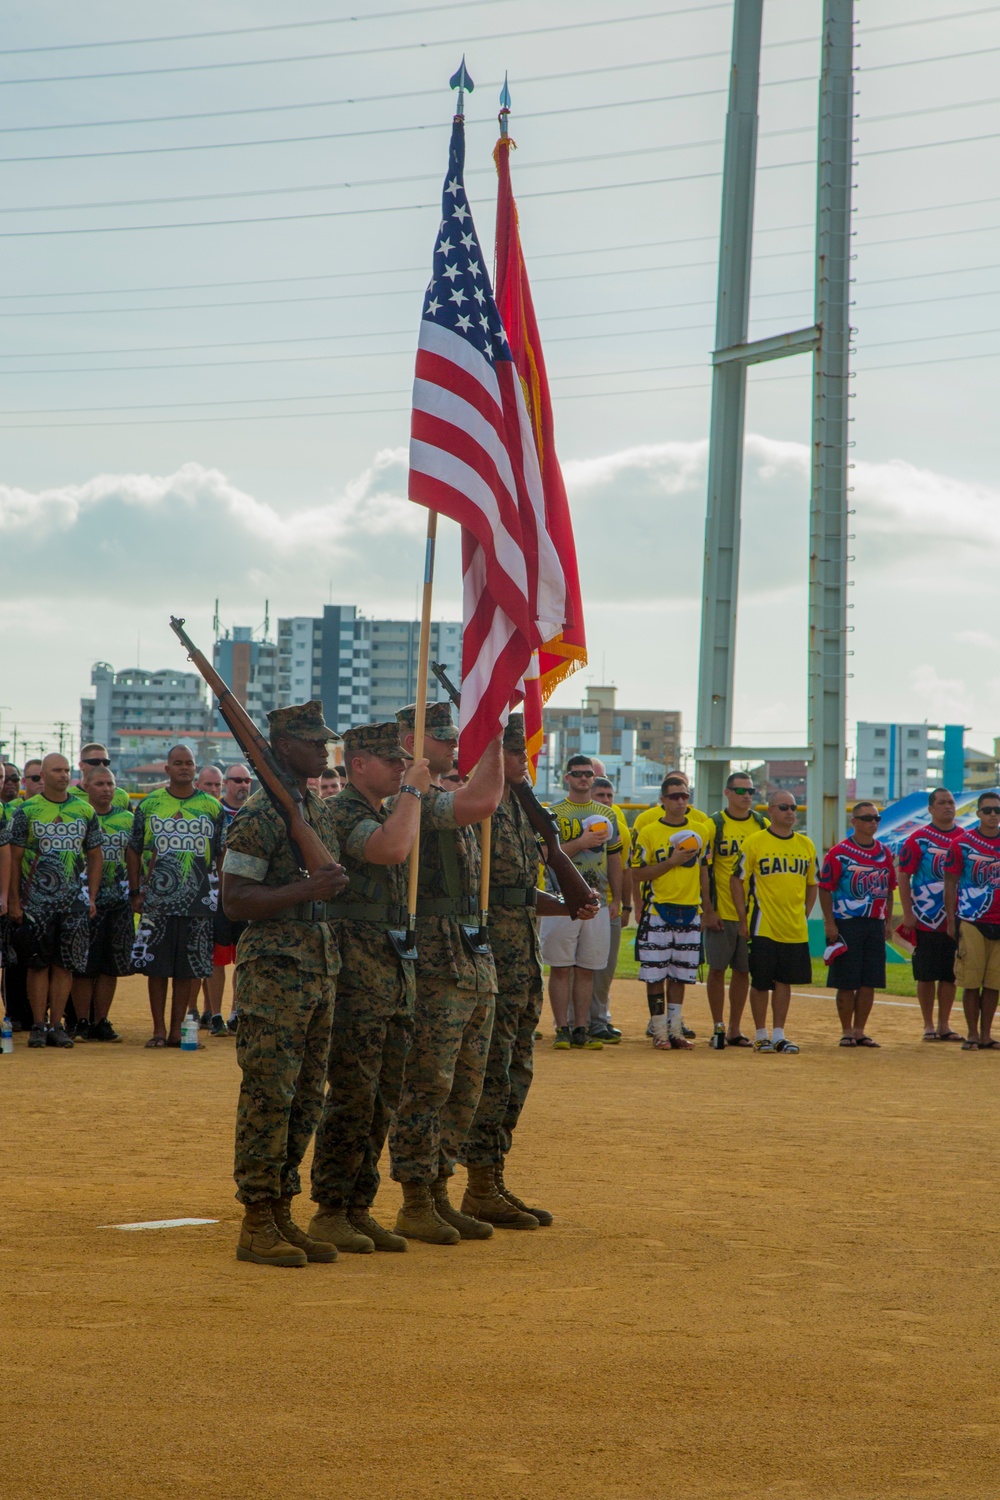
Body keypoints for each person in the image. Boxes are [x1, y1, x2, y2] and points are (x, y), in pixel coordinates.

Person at [221, 700, 348, 1268]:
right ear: (283, 748)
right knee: (270, 1095)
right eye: (314, 744)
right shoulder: (259, 815)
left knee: (304, 1100)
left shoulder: (312, 810)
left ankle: (281, 1213)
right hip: (274, 972)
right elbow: (234, 901)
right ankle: (255, 1221)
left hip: (317, 969)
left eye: (325, 744)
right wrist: (307, 890)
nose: (324, 752)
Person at [462, 718, 598, 1227]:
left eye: (526, 753)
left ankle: (491, 1179)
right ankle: (475, 1183)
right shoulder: (481, 807)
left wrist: (567, 904)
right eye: (515, 753)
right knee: (490, 1071)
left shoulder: (522, 810)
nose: (523, 761)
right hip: (489, 954)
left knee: (516, 1070)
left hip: (521, 957)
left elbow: (519, 890)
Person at [308, 722, 431, 1254]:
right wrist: (413, 793)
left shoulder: (381, 808)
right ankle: (330, 1209)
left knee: (383, 1096)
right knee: (353, 1095)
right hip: (356, 973)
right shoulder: (344, 813)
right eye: (391, 761)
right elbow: (390, 851)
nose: (401, 768)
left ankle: (359, 1206)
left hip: (389, 969)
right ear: (358, 764)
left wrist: (406, 795)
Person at [389, 701, 504, 1245]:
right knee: (428, 1084)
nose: (453, 745)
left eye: (456, 737)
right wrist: (496, 737)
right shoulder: (408, 801)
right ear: (409, 742)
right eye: (442, 738)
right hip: (435, 959)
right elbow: (481, 801)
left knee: (465, 1084)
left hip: (468, 955)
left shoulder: (441, 795)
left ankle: (439, 1188)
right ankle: (415, 1198)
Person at [126, 744, 225, 1048]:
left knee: (188, 968)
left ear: (196, 769)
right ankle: (157, 1030)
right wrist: (135, 890)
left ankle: (176, 1031)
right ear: (167, 769)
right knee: (156, 968)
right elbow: (133, 848)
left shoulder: (212, 806)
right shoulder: (150, 804)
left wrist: (221, 892)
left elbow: (222, 853)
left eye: (190, 763)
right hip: (157, 900)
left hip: (199, 901)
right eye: (178, 763)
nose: (184, 767)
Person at [7, 753, 103, 1049]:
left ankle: (56, 1024)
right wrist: (13, 901)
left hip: (73, 902)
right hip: (36, 902)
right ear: (43, 776)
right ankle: (38, 1024)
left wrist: (92, 896)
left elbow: (95, 854)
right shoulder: (27, 810)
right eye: (56, 771)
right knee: (38, 965)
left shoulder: (84, 810)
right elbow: (15, 856)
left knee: (65, 966)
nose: (63, 775)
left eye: (66, 770)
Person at [540, 755, 623, 1051]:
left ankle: (581, 1028)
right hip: (561, 899)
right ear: (567, 778)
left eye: (588, 774)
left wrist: (618, 898)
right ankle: (561, 1027)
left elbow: (614, 859)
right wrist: (582, 842)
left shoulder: (607, 814)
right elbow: (547, 855)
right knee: (561, 967)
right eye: (577, 774)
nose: (584, 779)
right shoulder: (553, 813)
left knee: (587, 968)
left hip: (596, 898)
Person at [730, 791, 817, 1054]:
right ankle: (761, 1034)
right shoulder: (755, 842)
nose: (790, 812)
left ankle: (779, 1034)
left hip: (794, 926)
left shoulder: (805, 845)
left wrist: (805, 913)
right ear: (770, 811)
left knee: (784, 981)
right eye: (784, 807)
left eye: (794, 806)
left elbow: (813, 883)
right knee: (761, 981)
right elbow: (737, 879)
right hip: (763, 923)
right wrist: (743, 918)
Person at [630, 782, 712, 1049]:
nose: (680, 800)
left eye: (685, 796)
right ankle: (658, 1030)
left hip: (690, 909)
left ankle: (676, 1030)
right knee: (655, 974)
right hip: (659, 908)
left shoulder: (700, 830)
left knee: (680, 974)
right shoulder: (649, 832)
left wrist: (707, 908)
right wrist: (671, 862)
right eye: (674, 796)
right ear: (662, 799)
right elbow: (637, 873)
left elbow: (703, 872)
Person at [818, 801, 896, 1048]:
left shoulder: (884, 852)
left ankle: (860, 1030)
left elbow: (889, 889)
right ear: (854, 822)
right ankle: (846, 1030)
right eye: (867, 818)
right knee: (846, 980)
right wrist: (830, 924)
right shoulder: (839, 853)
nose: (873, 822)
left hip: (874, 922)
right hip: (847, 922)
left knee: (869, 980)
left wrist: (887, 920)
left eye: (876, 818)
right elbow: (825, 889)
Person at [701, 771, 768, 1048]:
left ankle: (734, 1028)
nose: (747, 795)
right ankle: (718, 1027)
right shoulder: (714, 824)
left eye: (750, 790)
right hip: (722, 911)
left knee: (743, 971)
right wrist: (707, 909)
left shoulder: (761, 824)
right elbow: (703, 869)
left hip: (752, 915)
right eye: (740, 791)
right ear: (727, 793)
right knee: (717, 969)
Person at [70, 767, 132, 1043]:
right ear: (85, 785)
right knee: (84, 965)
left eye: (110, 783)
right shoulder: (79, 816)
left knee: (110, 965)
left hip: (118, 901)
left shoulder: (127, 819)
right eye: (99, 783)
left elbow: (136, 858)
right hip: (84, 902)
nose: (106, 789)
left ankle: (100, 1020)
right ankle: (81, 1020)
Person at [897, 787, 963, 1042]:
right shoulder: (918, 839)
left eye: (951, 802)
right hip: (925, 917)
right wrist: (908, 913)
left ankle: (945, 1024)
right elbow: (904, 875)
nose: (948, 806)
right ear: (931, 809)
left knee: (950, 973)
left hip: (956, 916)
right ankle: (928, 1025)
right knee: (925, 973)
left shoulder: (965, 838)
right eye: (942, 803)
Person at [944, 791, 1000, 1051]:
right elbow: (950, 883)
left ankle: (987, 1034)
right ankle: (972, 1034)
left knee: (993, 983)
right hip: (971, 919)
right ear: (977, 813)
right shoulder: (962, 844)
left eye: (996, 811)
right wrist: (949, 919)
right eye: (987, 810)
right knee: (971, 981)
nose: (992, 815)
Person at [199, 763, 253, 1036]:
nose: (243, 785)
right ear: (226, 784)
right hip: (217, 894)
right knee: (216, 958)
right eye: (237, 780)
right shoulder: (214, 811)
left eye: (247, 780)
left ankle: (235, 1013)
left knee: (243, 957)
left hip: (247, 894)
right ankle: (215, 1014)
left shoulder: (255, 812)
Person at [589, 776, 631, 1043]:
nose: (605, 800)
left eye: (609, 796)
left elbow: (622, 868)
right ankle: (572, 1021)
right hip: (580, 903)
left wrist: (622, 902)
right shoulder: (570, 818)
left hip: (607, 904)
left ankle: (599, 1019)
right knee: (574, 967)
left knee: (606, 967)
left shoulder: (617, 825)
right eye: (600, 795)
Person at [79, 743, 131, 810]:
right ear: (81, 765)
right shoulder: (69, 796)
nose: (102, 766)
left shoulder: (121, 796)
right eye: (95, 762)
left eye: (106, 762)